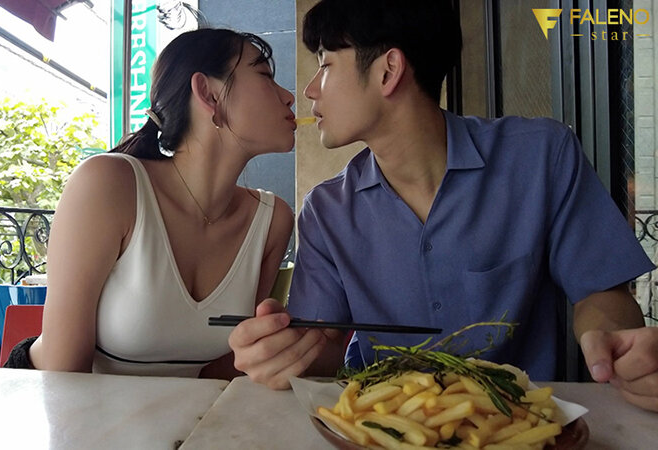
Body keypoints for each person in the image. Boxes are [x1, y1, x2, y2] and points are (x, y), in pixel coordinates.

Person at [228, 0, 658, 412]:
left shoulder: (541, 157)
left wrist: (613, 344)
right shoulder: (326, 211)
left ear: (388, 71)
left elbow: (601, 291)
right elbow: (324, 348)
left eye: (325, 64)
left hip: (522, 425)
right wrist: (283, 353)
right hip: (383, 430)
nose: (309, 90)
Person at [24, 28, 295, 379]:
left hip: (177, 413)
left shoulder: (273, 220)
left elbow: (228, 370)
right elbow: (63, 377)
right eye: (265, 76)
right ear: (209, 94)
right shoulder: (109, 185)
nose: (289, 96)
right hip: (45, 398)